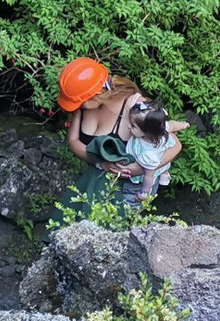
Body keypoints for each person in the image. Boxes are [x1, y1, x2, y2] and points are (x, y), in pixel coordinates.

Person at [55, 57, 184, 215]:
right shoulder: (81, 107)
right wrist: (100, 163)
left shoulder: (136, 107)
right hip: (97, 181)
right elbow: (73, 141)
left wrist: (140, 168)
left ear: (97, 93)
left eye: (81, 102)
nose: (77, 106)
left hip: (131, 189)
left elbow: (175, 145)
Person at [124, 101, 190, 205]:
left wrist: (144, 193)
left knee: (151, 175)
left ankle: (162, 174)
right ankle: (164, 172)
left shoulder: (148, 155)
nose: (128, 126)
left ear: (147, 131)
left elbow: (148, 176)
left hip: (144, 175)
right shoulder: (161, 128)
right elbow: (172, 124)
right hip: (158, 152)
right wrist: (184, 125)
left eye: (133, 125)